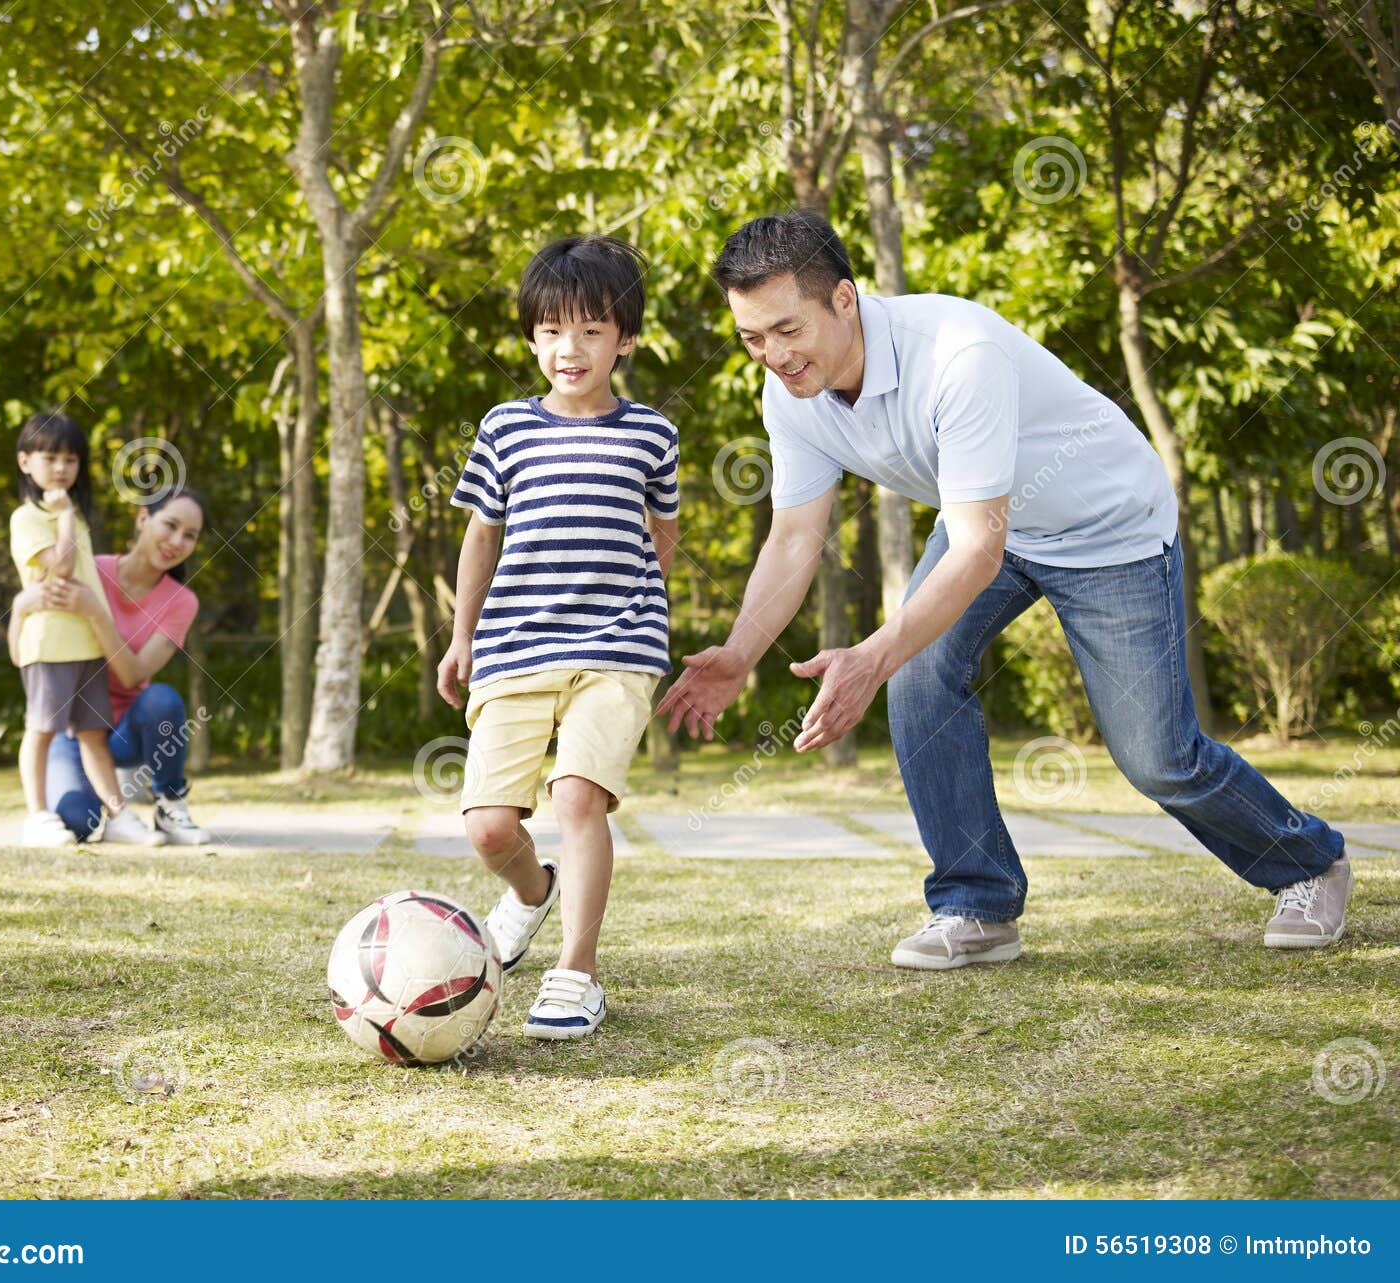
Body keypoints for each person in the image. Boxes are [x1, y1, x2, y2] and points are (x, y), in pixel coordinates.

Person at [658, 210, 1350, 968]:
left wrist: (873, 653)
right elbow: (794, 537)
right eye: (752, 338)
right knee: (919, 679)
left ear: (845, 300)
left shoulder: (957, 353)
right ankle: (975, 903)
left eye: (787, 329)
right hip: (986, 522)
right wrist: (740, 650)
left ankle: (1311, 862)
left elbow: (977, 552)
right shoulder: (792, 395)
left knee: (1157, 757)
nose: (773, 356)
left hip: (1105, 529)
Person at [437, 235, 680, 1038]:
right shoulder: (505, 428)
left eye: (588, 332)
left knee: (578, 796)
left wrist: (646, 609)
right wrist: (462, 636)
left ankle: (578, 974)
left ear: (626, 339)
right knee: (489, 827)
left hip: (617, 649)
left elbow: (662, 536)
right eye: (548, 331)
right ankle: (532, 893)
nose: (565, 349)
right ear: (531, 337)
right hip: (513, 649)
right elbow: (482, 537)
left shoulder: (652, 434)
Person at [10, 485, 212, 846]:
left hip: (124, 731)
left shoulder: (183, 601)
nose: (177, 541)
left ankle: (170, 804)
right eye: (170, 525)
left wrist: (94, 611)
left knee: (162, 701)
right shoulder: (93, 570)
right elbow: (38, 617)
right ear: (143, 518)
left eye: (190, 536)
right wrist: (21, 606)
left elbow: (134, 674)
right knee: (77, 822)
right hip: (74, 729)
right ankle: (105, 800)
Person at [9, 412, 164, 848]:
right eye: (51, 456)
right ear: (26, 462)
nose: (61, 467)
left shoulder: (72, 518)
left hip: (87, 644)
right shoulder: (28, 517)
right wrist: (62, 518)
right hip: (49, 644)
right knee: (41, 729)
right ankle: (36, 817)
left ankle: (118, 814)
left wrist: (66, 518)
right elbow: (57, 565)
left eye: (71, 459)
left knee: (94, 734)